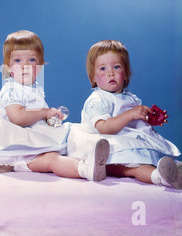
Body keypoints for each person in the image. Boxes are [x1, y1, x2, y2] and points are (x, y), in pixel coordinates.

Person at [0, 30, 109, 181]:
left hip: (32, 144)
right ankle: (85, 165)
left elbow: (36, 117)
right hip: (15, 148)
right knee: (52, 159)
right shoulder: (11, 89)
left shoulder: (35, 89)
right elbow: (17, 117)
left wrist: (50, 119)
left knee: (61, 146)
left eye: (31, 60)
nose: (25, 66)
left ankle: (88, 165)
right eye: (17, 60)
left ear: (40, 66)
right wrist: (44, 112)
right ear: (8, 67)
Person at [67, 40, 182, 189]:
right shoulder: (97, 100)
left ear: (126, 73)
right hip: (112, 149)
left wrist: (149, 118)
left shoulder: (130, 98)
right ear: (93, 77)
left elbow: (135, 123)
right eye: (103, 68)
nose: (110, 72)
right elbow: (104, 127)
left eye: (116, 67)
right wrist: (130, 114)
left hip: (132, 141)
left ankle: (173, 172)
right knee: (136, 167)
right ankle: (160, 178)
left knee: (153, 160)